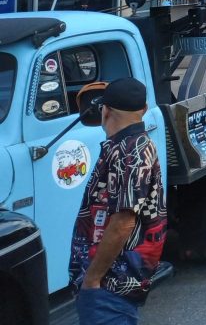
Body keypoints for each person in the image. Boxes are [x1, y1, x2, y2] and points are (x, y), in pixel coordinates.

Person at [69, 77, 166, 325]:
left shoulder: (130, 151)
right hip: (112, 280)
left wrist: (92, 277)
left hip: (110, 283)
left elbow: (123, 223)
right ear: (143, 110)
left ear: (106, 111)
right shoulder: (132, 145)